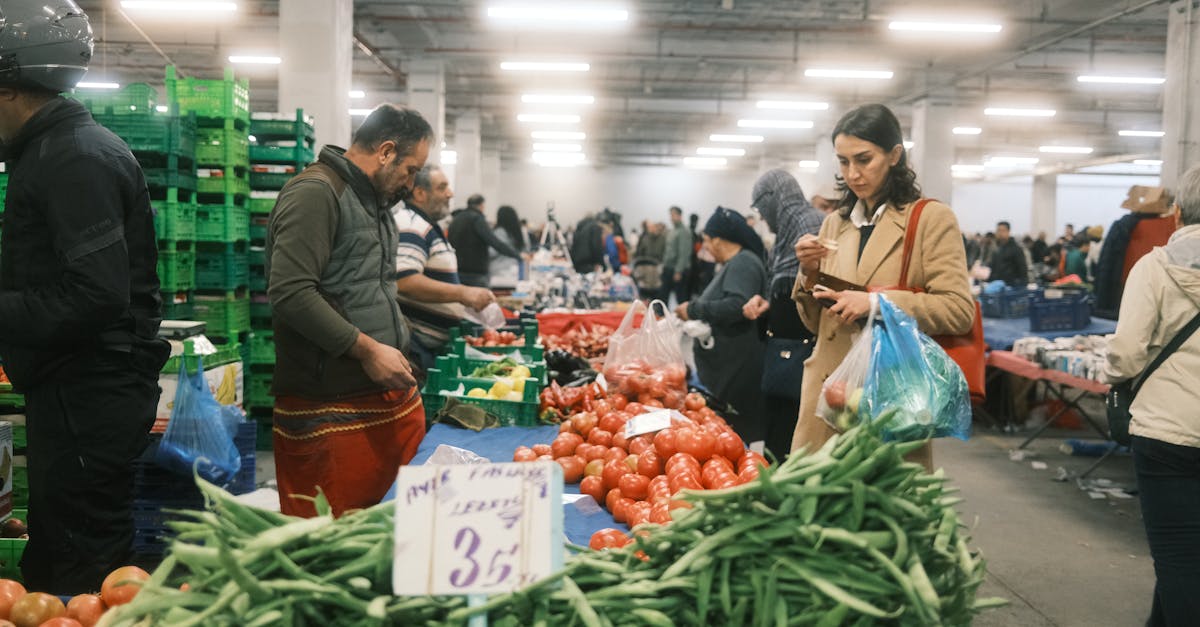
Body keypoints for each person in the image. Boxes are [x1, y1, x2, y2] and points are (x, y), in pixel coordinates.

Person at [0, 0, 170, 593]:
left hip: (90, 395)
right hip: (77, 391)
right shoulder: (55, 151)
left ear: (11, 85)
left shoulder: (72, 158)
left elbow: (94, 294)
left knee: (81, 567)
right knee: (60, 554)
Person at [266, 104, 430, 517]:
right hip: (330, 406)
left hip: (377, 396)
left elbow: (369, 287)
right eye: (411, 169)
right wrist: (368, 349)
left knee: (384, 536)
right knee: (332, 544)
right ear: (386, 151)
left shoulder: (372, 201)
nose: (412, 184)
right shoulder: (316, 193)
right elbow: (290, 292)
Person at [791, 103, 974, 471]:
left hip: (888, 397)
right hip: (827, 395)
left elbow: (958, 310)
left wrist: (877, 303)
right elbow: (815, 325)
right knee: (815, 512)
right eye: (843, 162)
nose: (853, 174)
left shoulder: (930, 220)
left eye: (864, 159)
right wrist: (807, 273)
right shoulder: (834, 225)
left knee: (881, 514)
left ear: (894, 155)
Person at [1103, 163, 1200, 627]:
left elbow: (1125, 353)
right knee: (1184, 555)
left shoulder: (1156, 267)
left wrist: (1114, 372)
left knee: (1179, 558)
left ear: (1177, 214)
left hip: (1166, 434)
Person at [742, 169, 825, 461]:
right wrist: (767, 304)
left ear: (774, 199)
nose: (762, 217)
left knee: (796, 439)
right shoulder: (782, 239)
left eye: (760, 207)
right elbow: (784, 294)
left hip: (806, 359)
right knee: (777, 437)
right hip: (783, 355)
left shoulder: (813, 226)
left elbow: (818, 294)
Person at [676, 208, 768, 443]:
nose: (705, 248)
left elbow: (738, 305)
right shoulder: (735, 263)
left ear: (717, 239)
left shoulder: (743, 263)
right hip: (729, 364)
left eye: (706, 241)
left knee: (736, 435)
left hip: (737, 366)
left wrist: (693, 309)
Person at [394, 164, 495, 372]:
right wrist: (463, 293)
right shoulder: (412, 225)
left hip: (427, 346)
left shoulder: (426, 225)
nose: (450, 194)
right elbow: (405, 281)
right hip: (415, 346)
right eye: (442, 187)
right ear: (420, 193)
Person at [448, 193, 522, 287]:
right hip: (475, 273)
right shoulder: (477, 219)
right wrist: (517, 255)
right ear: (482, 205)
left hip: (457, 270)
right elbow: (494, 242)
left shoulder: (456, 219)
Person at [661, 206, 694, 304]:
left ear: (679, 216)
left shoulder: (684, 231)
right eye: (670, 215)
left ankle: (683, 318)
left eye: (673, 215)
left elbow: (684, 253)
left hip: (677, 269)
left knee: (680, 298)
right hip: (669, 267)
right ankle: (663, 316)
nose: (671, 217)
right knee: (663, 295)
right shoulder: (673, 231)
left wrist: (678, 271)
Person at [489, 205, 526, 289]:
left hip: (498, 274)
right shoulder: (519, 232)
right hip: (516, 271)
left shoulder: (499, 232)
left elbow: (491, 252)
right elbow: (525, 252)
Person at [988, 221, 1029, 286]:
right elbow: (993, 269)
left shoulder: (1016, 249)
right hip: (997, 286)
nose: (1000, 233)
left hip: (1011, 287)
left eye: (1003, 230)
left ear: (1008, 232)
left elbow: (1023, 271)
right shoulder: (996, 249)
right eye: (998, 230)